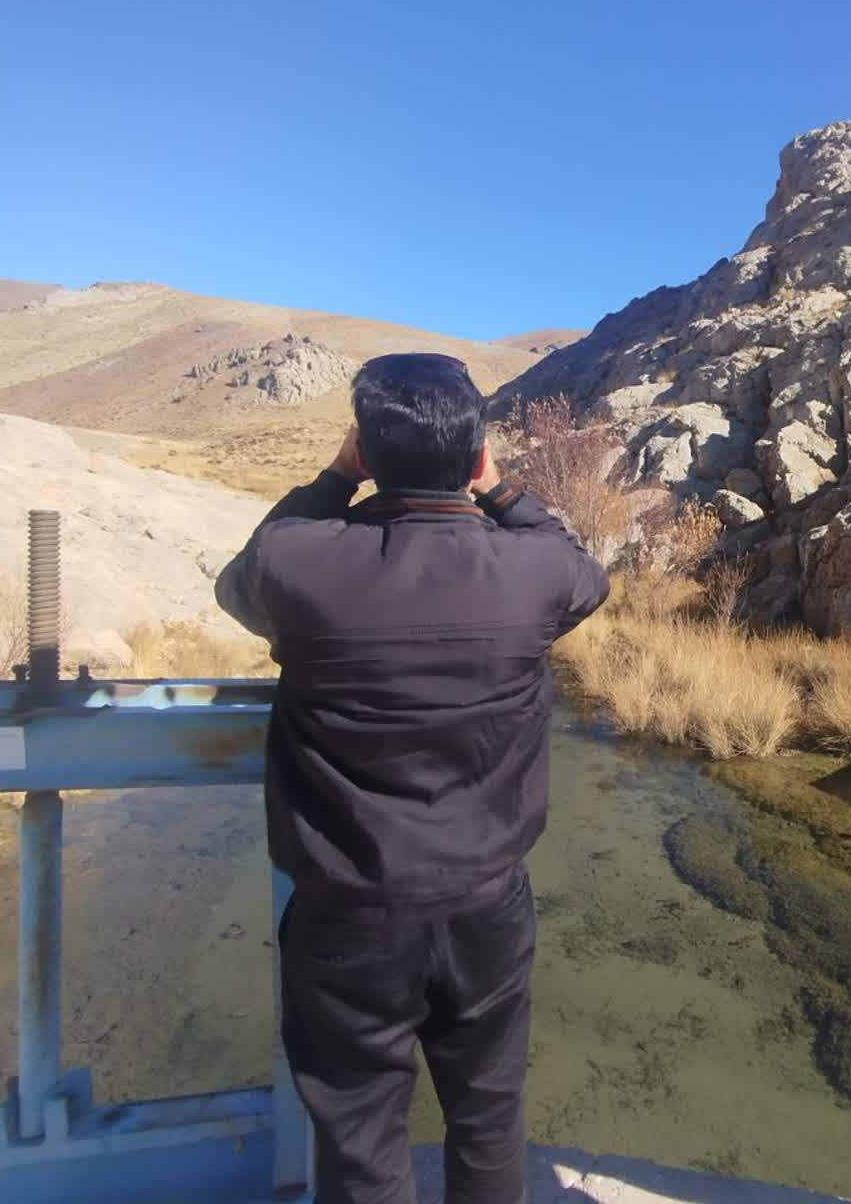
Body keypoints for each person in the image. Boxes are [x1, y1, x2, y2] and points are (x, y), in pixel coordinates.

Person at [215, 352, 609, 1204]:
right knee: (488, 1117)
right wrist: (501, 491)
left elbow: (239, 584)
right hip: (485, 903)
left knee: (360, 1137)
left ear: (364, 450)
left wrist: (333, 480)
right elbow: (580, 567)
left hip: (347, 907)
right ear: (475, 455)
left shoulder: (297, 562)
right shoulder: (533, 572)